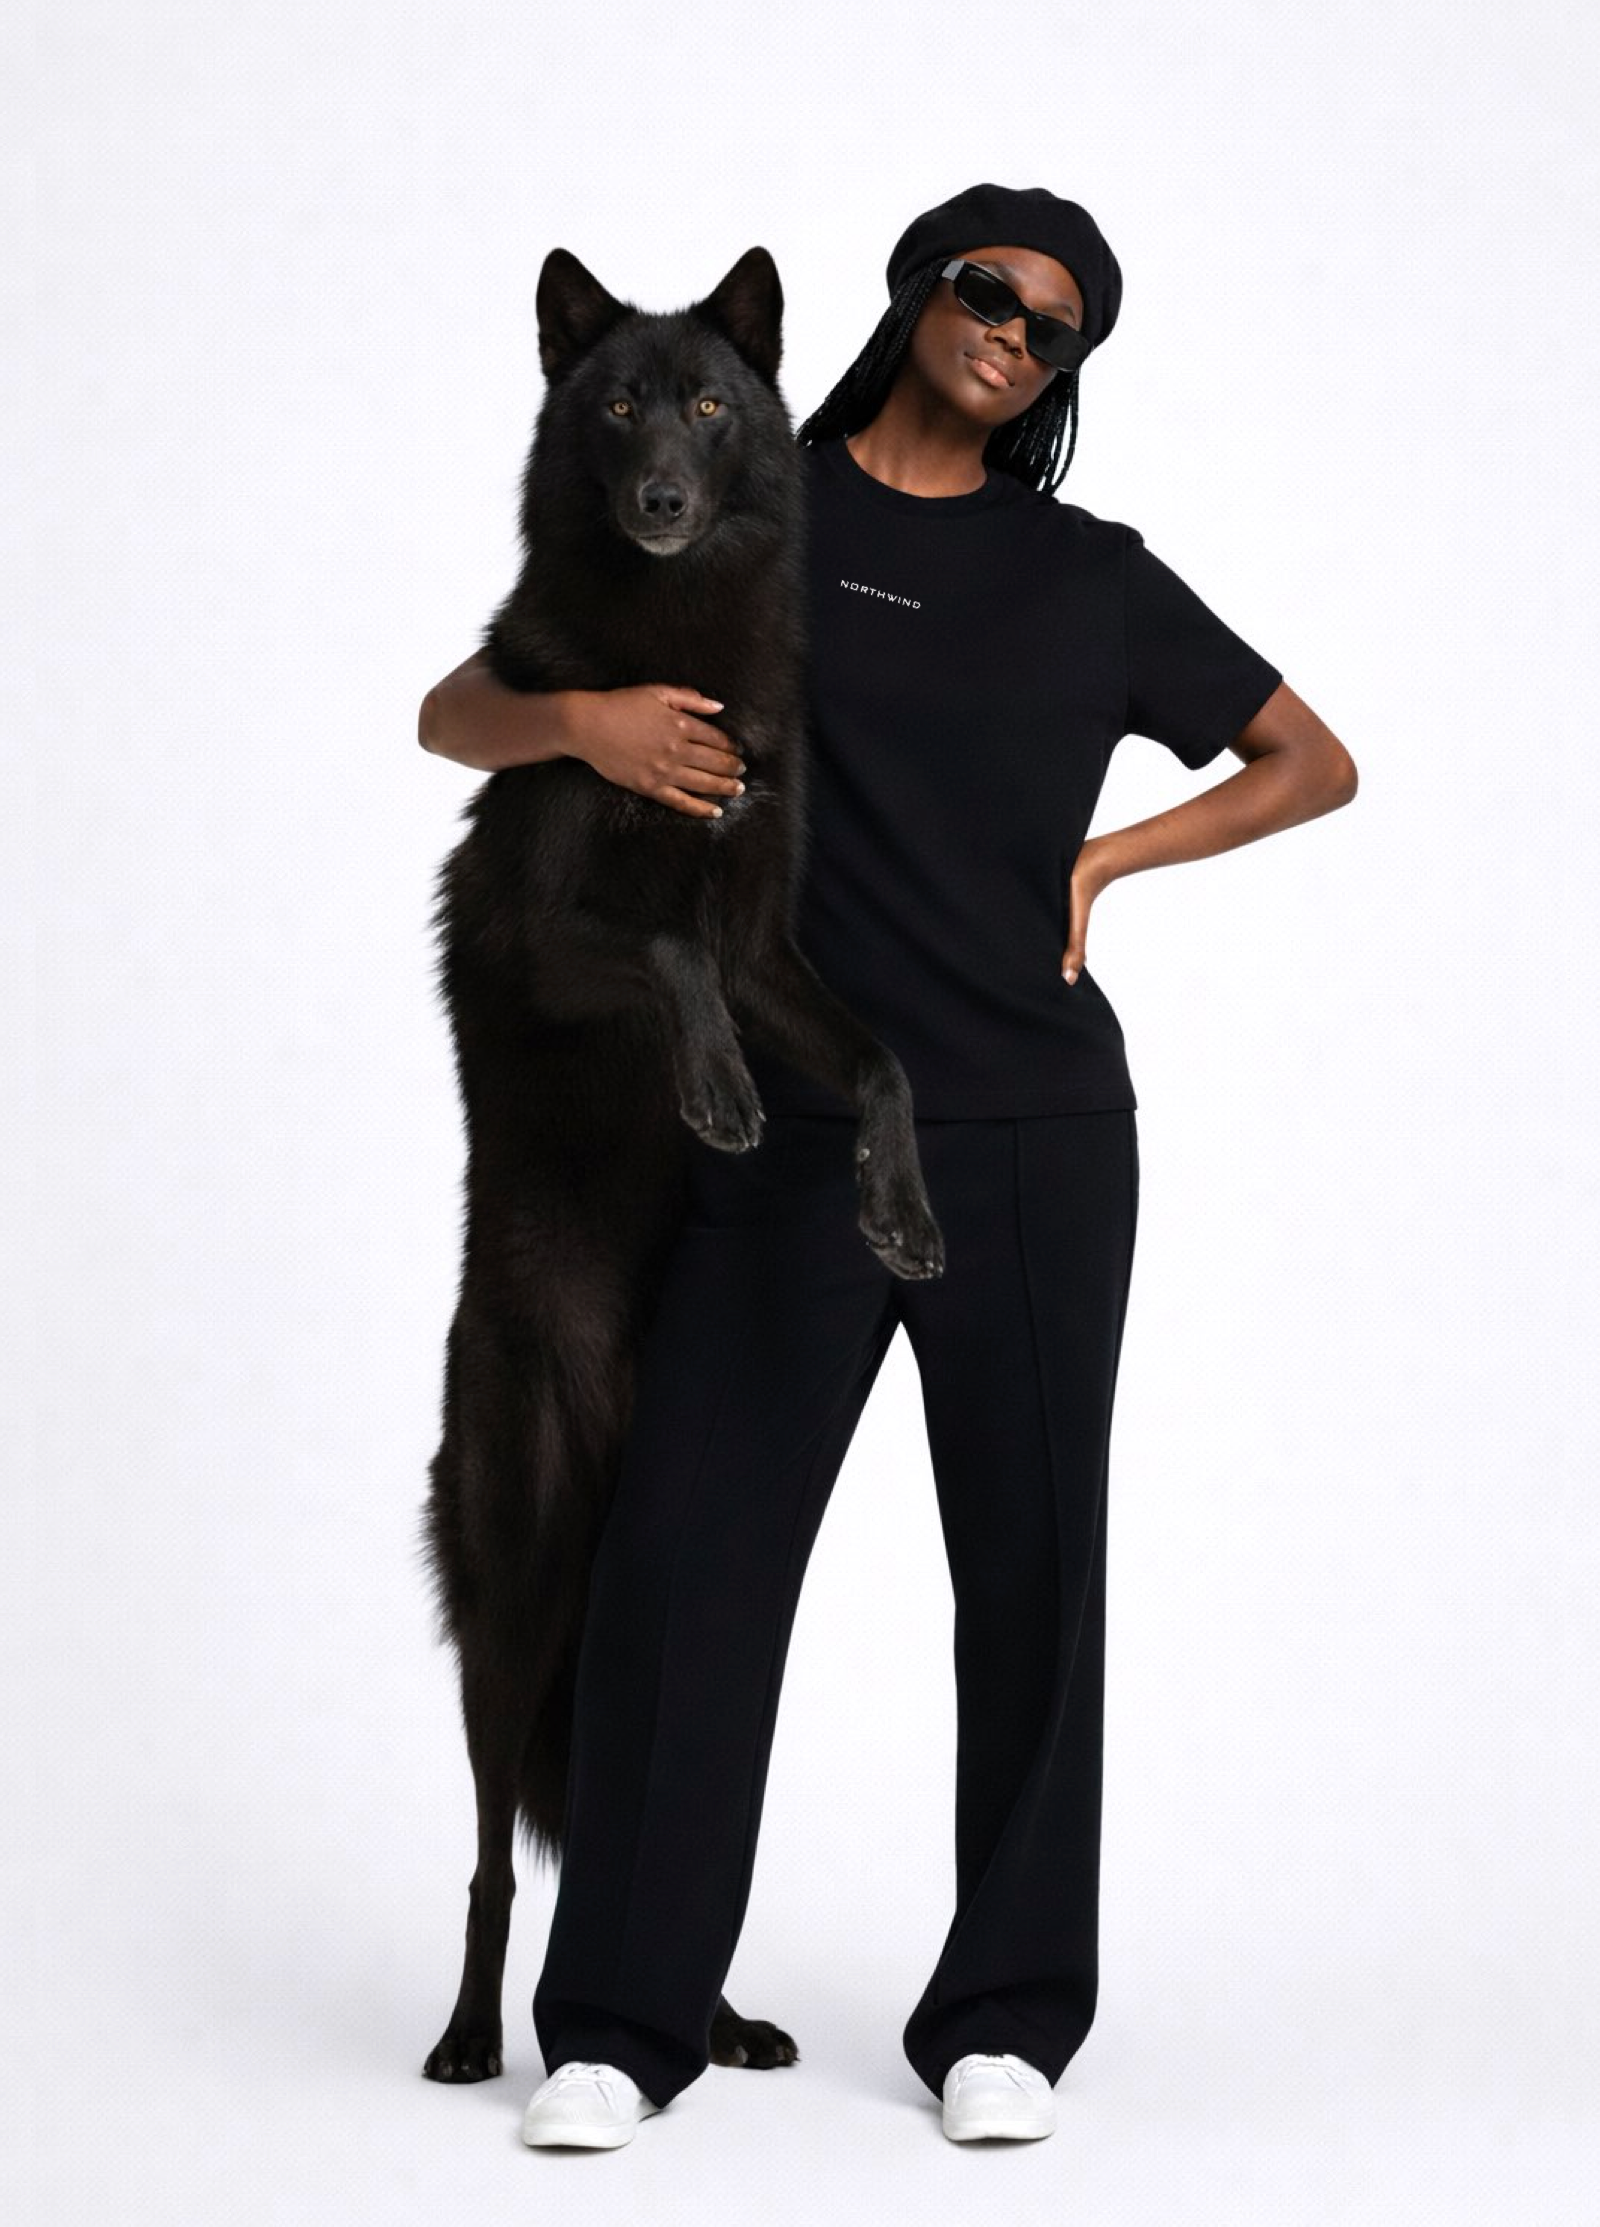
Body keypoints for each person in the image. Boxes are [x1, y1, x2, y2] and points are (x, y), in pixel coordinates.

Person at [419, 182, 1358, 2149]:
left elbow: (1307, 758)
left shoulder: (1088, 578)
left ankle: (1004, 2015)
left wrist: (1105, 863)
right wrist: (582, 724)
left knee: (1029, 1579)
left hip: (1028, 1140)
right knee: (684, 1564)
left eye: (1057, 326)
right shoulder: (751, 495)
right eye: (986, 289)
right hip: (782, 1127)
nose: (1014, 331)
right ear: (916, 288)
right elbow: (456, 709)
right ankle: (616, 2021)